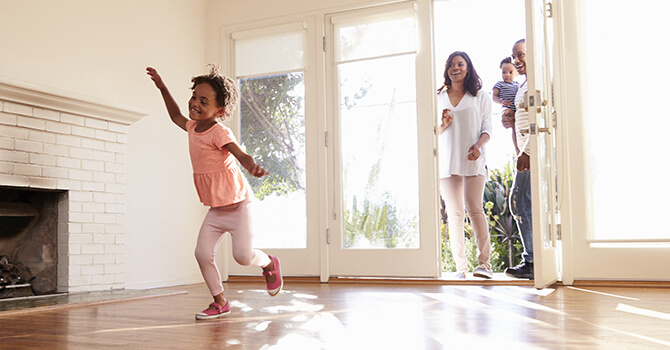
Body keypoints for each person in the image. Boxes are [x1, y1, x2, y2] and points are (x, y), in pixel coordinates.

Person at [146, 65, 283, 319]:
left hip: (239, 205)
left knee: (243, 256)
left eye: (203, 101)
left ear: (219, 110)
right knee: (201, 253)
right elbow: (175, 115)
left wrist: (250, 164)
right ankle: (220, 301)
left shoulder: (219, 131)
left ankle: (268, 263)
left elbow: (238, 152)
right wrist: (162, 87)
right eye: (194, 96)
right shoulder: (191, 128)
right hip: (216, 209)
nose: (195, 103)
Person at [436, 51, 493, 279]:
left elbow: (488, 128)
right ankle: (461, 268)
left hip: (473, 158)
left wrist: (478, 146)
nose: (455, 68)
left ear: (468, 68)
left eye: (460, 64)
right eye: (451, 64)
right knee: (454, 214)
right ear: (447, 70)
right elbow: (433, 131)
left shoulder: (479, 96)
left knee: (474, 208)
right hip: (447, 160)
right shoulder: (438, 96)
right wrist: (443, 124)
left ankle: (484, 265)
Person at [502, 39, 534, 280]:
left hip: (534, 153)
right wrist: (510, 118)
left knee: (520, 202)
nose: (516, 60)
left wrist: (528, 152)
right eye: (514, 56)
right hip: (525, 151)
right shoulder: (524, 85)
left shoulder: (541, 82)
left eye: (521, 55)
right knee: (521, 203)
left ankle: (533, 260)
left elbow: (544, 119)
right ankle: (532, 259)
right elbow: (522, 121)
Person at [492, 57, 520, 154]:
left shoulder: (517, 85)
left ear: (516, 73)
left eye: (510, 72)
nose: (507, 75)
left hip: (516, 110)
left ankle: (519, 147)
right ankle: (516, 149)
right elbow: (494, 97)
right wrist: (501, 101)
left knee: (516, 127)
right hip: (506, 108)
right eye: (504, 72)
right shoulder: (500, 84)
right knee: (510, 121)